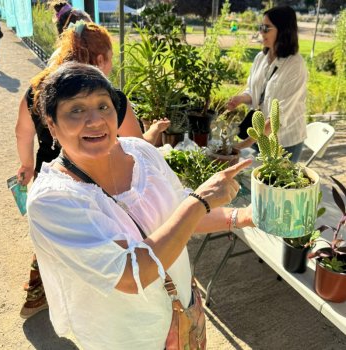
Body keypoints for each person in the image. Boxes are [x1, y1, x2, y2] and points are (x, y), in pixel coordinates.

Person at [27, 61, 254, 349]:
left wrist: (243, 216)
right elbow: (131, 274)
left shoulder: (142, 153)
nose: (95, 120)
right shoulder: (53, 200)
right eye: (76, 110)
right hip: (129, 338)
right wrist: (199, 201)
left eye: (103, 106)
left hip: (183, 312)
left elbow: (178, 213)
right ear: (52, 125)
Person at [16, 22, 169, 319]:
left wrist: (26, 165)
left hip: (51, 175)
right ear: (100, 60)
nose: (94, 118)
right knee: (110, 251)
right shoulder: (111, 99)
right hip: (100, 188)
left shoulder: (38, 87)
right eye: (111, 58)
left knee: (61, 241)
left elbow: (22, 132)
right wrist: (153, 134)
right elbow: (137, 150)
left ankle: (39, 294)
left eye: (101, 109)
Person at [227, 6, 307, 163]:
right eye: (260, 27)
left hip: (284, 144)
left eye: (266, 28)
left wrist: (243, 145)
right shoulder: (260, 58)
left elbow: (278, 117)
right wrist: (241, 99)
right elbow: (254, 91)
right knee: (251, 182)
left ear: (283, 30)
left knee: (272, 186)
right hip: (257, 136)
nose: (261, 32)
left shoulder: (295, 66)